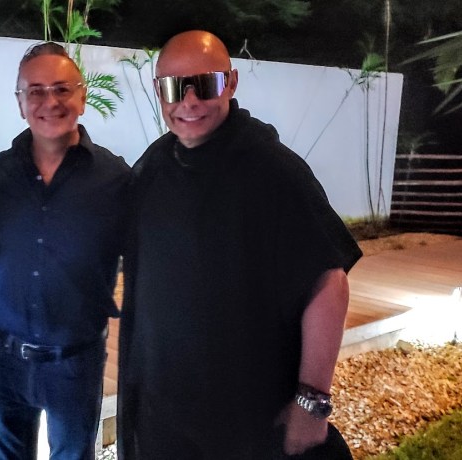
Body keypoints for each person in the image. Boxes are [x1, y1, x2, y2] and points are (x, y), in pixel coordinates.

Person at [117, 31, 362, 459]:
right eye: (175, 87)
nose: (189, 101)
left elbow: (329, 283)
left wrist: (311, 404)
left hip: (248, 416)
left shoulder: (274, 172)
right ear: (158, 90)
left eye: (205, 84)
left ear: (230, 83)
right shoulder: (154, 167)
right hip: (163, 413)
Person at [0, 42, 130, 459]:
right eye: (36, 91)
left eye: (62, 89)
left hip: (76, 363)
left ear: (82, 96)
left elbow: (148, 258)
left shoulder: (115, 178)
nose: (50, 101)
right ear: (20, 102)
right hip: (3, 358)